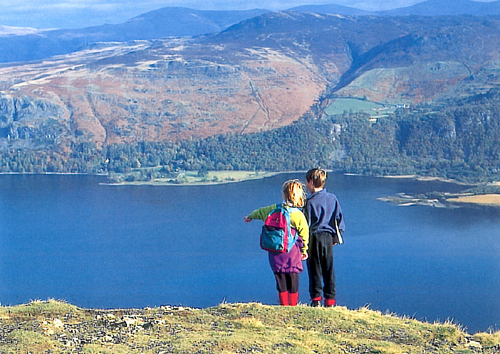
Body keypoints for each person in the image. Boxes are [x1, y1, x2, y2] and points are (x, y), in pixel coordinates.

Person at [244, 179, 309, 306]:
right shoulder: (298, 214)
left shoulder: (273, 209)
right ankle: (292, 306)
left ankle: (283, 305)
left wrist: (250, 217)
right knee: (293, 279)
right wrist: (304, 249)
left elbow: (259, 212)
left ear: (284, 195)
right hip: (292, 253)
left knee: (280, 280)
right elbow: (304, 233)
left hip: (275, 252)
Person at [304, 168, 345, 307]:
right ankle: (330, 301)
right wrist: (336, 236)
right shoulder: (332, 198)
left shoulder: (309, 202)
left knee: (314, 269)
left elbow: (305, 224)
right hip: (328, 238)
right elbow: (339, 218)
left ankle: (316, 300)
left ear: (310, 182)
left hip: (313, 237)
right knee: (329, 269)